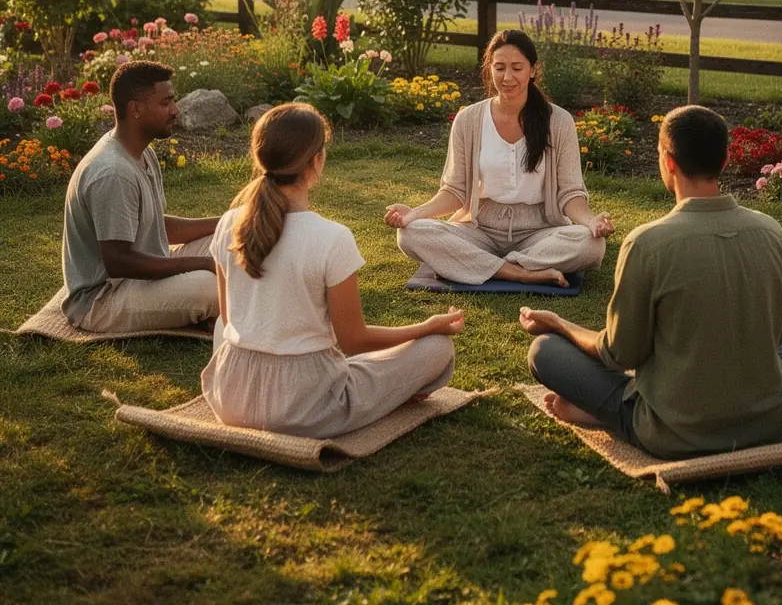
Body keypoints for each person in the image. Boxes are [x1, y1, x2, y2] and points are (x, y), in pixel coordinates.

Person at [521, 105, 782, 459]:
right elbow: (776, 334)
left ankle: (608, 414)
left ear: (668, 163)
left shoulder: (647, 243)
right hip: (769, 422)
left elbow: (619, 353)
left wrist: (560, 324)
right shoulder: (770, 230)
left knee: (545, 351)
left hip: (676, 431)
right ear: (726, 158)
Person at [202, 103, 463, 437]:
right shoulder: (331, 237)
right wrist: (425, 327)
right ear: (317, 162)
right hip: (303, 407)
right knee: (437, 347)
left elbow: (228, 316)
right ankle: (396, 387)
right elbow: (354, 341)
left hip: (230, 395)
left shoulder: (228, 223)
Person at [385, 29, 612, 287]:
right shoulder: (468, 120)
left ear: (533, 69)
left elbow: (570, 193)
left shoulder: (559, 122)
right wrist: (414, 213)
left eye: (517, 68)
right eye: (499, 68)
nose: (507, 77)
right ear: (489, 69)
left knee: (591, 245)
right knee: (410, 234)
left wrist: (590, 220)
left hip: (540, 231)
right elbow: (455, 190)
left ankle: (478, 264)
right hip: (479, 230)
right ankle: (521, 272)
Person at [61, 61, 220, 332]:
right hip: (102, 299)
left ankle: (210, 309)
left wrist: (225, 222)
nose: (175, 110)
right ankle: (215, 309)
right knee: (211, 286)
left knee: (231, 237)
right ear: (136, 109)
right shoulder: (113, 172)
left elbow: (157, 225)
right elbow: (118, 262)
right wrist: (203, 264)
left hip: (142, 275)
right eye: (165, 103)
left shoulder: (142, 152)